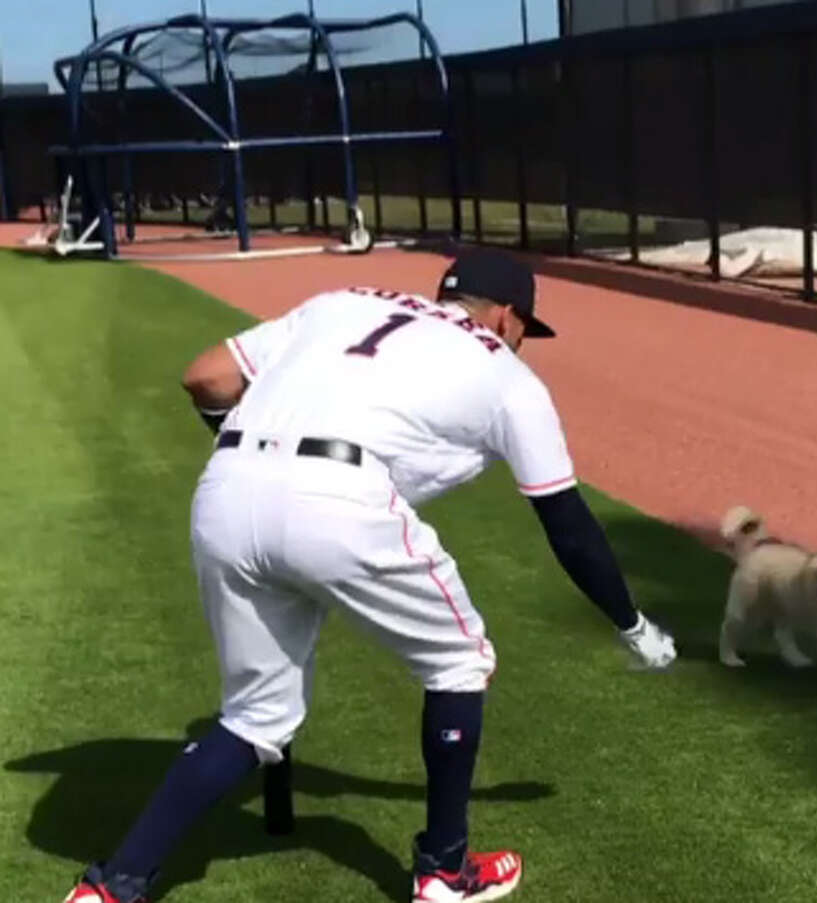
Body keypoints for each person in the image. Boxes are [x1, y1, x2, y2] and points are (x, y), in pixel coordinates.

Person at [60, 248, 677, 903]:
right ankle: (443, 869)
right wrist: (631, 623)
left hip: (227, 488)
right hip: (339, 497)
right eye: (525, 328)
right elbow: (568, 523)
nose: (522, 341)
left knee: (254, 716)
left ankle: (111, 885)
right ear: (504, 316)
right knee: (460, 661)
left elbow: (207, 377)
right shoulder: (507, 376)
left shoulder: (342, 303)